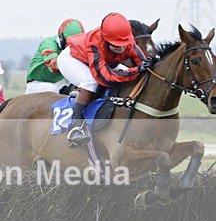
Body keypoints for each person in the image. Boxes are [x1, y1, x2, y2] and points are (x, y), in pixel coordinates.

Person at [57, 12, 151, 147]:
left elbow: (142, 63)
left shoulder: (127, 40)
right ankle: (75, 128)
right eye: (116, 45)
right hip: (73, 58)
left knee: (128, 73)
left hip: (102, 60)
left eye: (124, 44)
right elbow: (105, 79)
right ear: (106, 40)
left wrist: (149, 65)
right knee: (90, 83)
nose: (122, 48)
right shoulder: (95, 43)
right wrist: (136, 70)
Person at [25, 19, 85, 94]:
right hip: (36, 85)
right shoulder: (48, 43)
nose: (72, 47)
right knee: (52, 89)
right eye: (69, 43)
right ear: (61, 38)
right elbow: (54, 65)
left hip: (55, 84)